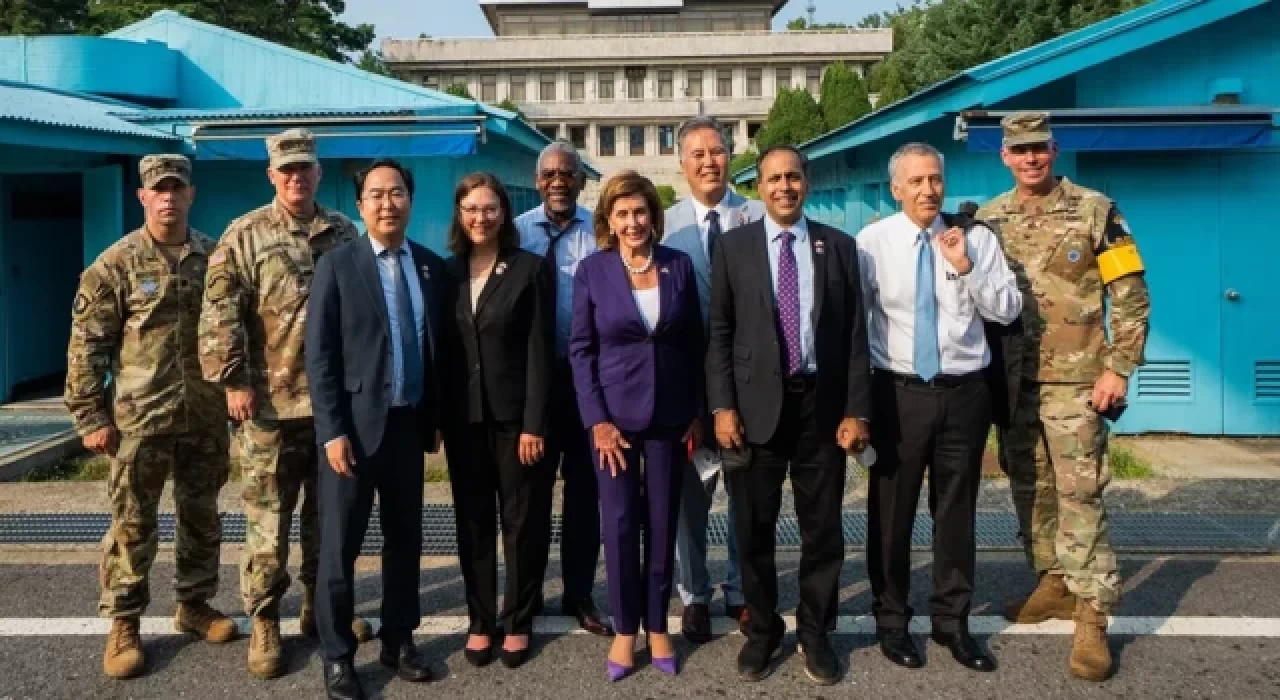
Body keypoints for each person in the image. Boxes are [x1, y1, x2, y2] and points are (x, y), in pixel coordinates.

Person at [978, 112, 1151, 682]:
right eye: (1019, 151)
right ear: (1005, 156)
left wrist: (1120, 368)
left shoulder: (1096, 210)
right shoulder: (989, 218)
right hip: (1014, 383)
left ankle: (1093, 614)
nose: (1030, 159)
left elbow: (1128, 294)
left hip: (1079, 382)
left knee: (1081, 494)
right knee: (1031, 488)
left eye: (1039, 149)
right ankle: (1052, 581)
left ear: (1054, 150)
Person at [198, 128, 369, 680]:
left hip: (330, 408)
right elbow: (220, 310)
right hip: (268, 407)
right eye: (286, 170)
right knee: (268, 524)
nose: (297, 178)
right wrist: (232, 382)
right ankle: (265, 617)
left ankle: (320, 610)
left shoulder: (343, 232)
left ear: (319, 173)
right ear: (271, 175)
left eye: (305, 168)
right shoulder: (244, 235)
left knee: (329, 521)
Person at [65, 155, 237, 680]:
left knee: (202, 517)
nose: (167, 197)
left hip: (205, 416)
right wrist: (90, 414)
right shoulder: (115, 263)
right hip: (138, 422)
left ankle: (194, 604)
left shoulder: (215, 257)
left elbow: (238, 329)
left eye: (176, 188)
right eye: (157, 189)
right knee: (132, 526)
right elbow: (87, 345)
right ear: (142, 197)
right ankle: (124, 622)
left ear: (190, 194)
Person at [707, 145, 871, 686]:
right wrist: (723, 406)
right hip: (754, 411)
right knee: (752, 530)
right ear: (761, 186)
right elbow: (721, 333)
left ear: (807, 182)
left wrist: (855, 410)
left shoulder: (839, 247)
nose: (784, 186)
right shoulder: (733, 247)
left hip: (820, 408)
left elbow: (853, 338)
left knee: (822, 531)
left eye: (793, 177)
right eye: (774, 178)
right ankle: (762, 632)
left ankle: (816, 632)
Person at [855, 143, 1022, 673]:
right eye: (917, 181)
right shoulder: (871, 243)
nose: (929, 190)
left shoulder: (975, 239)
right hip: (897, 393)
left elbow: (1008, 310)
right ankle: (892, 621)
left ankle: (953, 624)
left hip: (963, 395)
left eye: (936, 179)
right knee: (891, 517)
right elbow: (856, 324)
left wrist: (965, 266)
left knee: (956, 516)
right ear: (896, 189)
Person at [305, 159, 446, 699]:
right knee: (339, 549)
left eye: (398, 193)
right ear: (360, 205)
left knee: (405, 542)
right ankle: (338, 655)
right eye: (376, 195)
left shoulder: (429, 266)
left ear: (411, 201)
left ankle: (399, 639)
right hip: (353, 434)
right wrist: (331, 431)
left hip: (408, 428)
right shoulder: (338, 265)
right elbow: (319, 357)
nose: (388, 203)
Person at [569, 171, 704, 681]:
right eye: (622, 213)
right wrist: (597, 421)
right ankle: (627, 629)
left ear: (654, 215)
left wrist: (696, 408)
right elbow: (582, 351)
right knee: (621, 524)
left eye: (640, 212)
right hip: (615, 423)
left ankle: (659, 624)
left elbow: (693, 342)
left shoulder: (679, 266)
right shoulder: (593, 270)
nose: (633, 222)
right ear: (609, 219)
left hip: (670, 418)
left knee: (664, 521)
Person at [440, 173, 554, 669]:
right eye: (471, 209)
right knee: (473, 524)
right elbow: (442, 353)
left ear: (504, 213)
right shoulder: (445, 273)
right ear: (459, 215)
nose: (480, 217)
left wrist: (535, 422)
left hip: (515, 420)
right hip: (464, 421)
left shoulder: (530, 269)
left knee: (523, 522)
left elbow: (540, 352)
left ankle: (519, 618)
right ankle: (481, 620)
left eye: (489, 208)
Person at [661, 116, 765, 642]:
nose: (709, 161)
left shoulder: (759, 215)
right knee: (690, 500)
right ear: (682, 164)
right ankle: (694, 594)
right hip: (686, 386)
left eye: (718, 151)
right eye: (697, 153)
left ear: (732, 156)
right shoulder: (666, 224)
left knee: (747, 493)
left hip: (749, 384)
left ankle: (742, 592)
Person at [514, 141, 612, 636]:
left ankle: (579, 594)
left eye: (567, 174)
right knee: (528, 495)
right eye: (549, 173)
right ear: (538, 181)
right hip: (533, 383)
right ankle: (526, 598)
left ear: (580, 181)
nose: (558, 181)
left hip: (586, 380)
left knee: (584, 493)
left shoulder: (599, 232)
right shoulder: (516, 232)